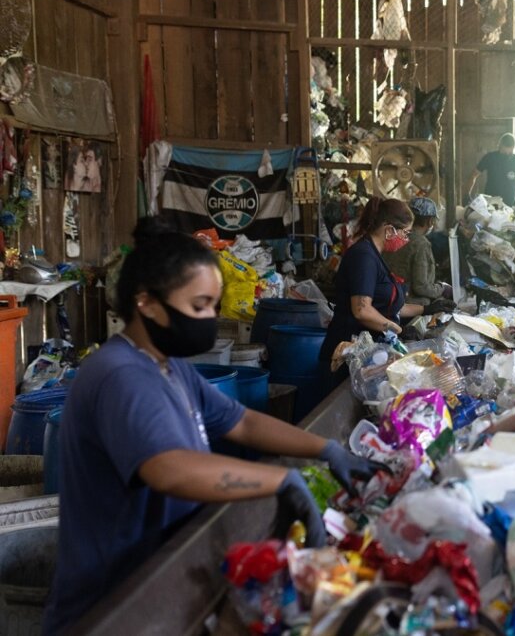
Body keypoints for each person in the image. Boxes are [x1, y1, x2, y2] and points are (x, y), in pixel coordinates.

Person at [44, 219, 385, 633]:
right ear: (146, 302)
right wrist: (278, 480)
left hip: (158, 586)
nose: (210, 318)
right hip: (111, 607)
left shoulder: (167, 366)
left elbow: (241, 422)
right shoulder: (122, 376)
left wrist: (325, 449)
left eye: (213, 305)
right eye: (199, 306)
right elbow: (169, 469)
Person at [319, 197, 453, 383]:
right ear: (389, 230)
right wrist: (396, 329)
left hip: (365, 353)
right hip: (345, 354)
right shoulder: (364, 257)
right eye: (405, 233)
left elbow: (388, 306)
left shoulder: (376, 255)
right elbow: (362, 310)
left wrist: (426, 309)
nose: (406, 239)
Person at [382, 197, 452, 306]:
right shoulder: (421, 244)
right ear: (430, 221)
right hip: (410, 305)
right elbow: (421, 287)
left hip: (388, 299)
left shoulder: (394, 236)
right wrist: (442, 288)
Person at [467, 133, 515, 206]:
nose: (507, 153)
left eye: (510, 151)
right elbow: (474, 174)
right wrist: (467, 194)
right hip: (490, 203)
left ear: (513, 148)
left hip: (509, 205)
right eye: (504, 151)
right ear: (500, 146)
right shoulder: (490, 158)